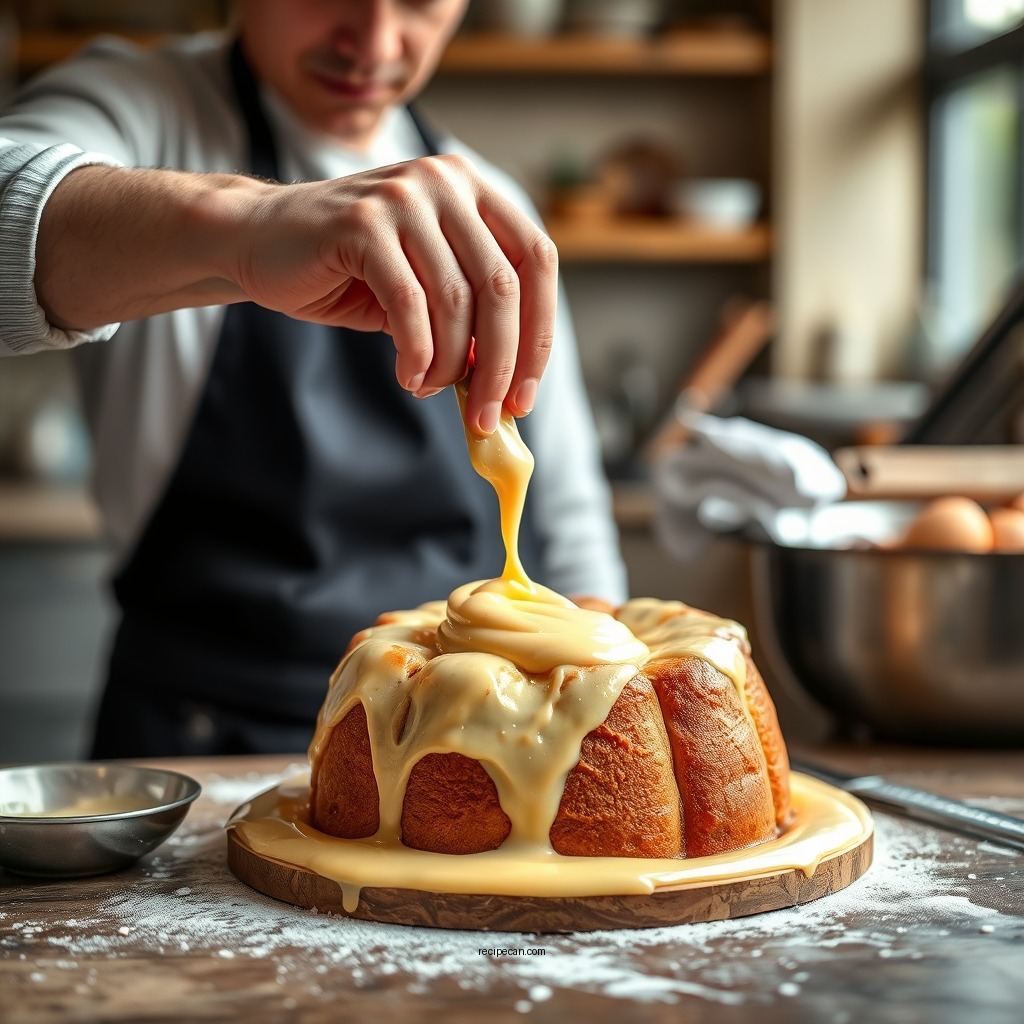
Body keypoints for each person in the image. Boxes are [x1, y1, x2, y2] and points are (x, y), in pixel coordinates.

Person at [0, 1, 627, 757]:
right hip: (201, 735)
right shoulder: (142, 110)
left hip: (460, 746)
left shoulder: (488, 207)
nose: (373, 43)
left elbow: (569, 515)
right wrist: (248, 227)